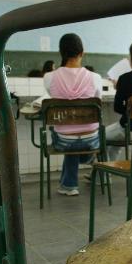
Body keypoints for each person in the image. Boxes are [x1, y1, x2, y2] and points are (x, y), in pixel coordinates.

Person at [43, 33, 102, 196]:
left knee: (69, 134)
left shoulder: (49, 77)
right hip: (92, 141)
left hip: (63, 141)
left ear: (61, 53)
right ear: (82, 53)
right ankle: (86, 162)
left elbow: (52, 95)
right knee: (82, 135)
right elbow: (98, 102)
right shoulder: (95, 77)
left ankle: (69, 186)